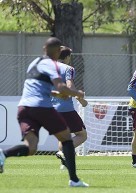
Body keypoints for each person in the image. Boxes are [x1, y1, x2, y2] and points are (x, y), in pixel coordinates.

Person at [0, 37, 89, 187]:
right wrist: (77, 93)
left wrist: (58, 94)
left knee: (31, 147)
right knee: (67, 138)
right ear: (57, 51)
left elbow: (40, 88)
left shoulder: (34, 63)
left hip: (23, 108)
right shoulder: (51, 65)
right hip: (40, 107)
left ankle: (3, 154)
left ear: (44, 49)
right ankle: (74, 180)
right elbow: (62, 87)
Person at [51, 46, 88, 170]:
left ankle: (64, 164)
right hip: (65, 108)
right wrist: (79, 96)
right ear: (66, 57)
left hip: (51, 109)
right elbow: (70, 86)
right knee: (82, 134)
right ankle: (64, 153)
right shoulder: (68, 69)